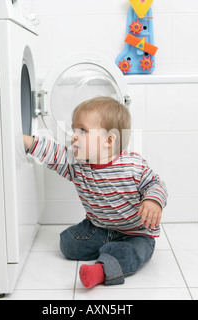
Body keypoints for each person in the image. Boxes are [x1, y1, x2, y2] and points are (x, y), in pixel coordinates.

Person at [23, 96, 167, 288]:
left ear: (108, 140)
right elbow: (52, 152)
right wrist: (22, 140)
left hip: (136, 233)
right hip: (99, 227)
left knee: (133, 253)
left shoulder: (132, 165)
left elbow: (156, 184)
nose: (74, 135)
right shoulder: (77, 165)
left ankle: (102, 270)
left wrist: (153, 201)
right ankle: (110, 249)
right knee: (69, 244)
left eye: (82, 130)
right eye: (74, 129)